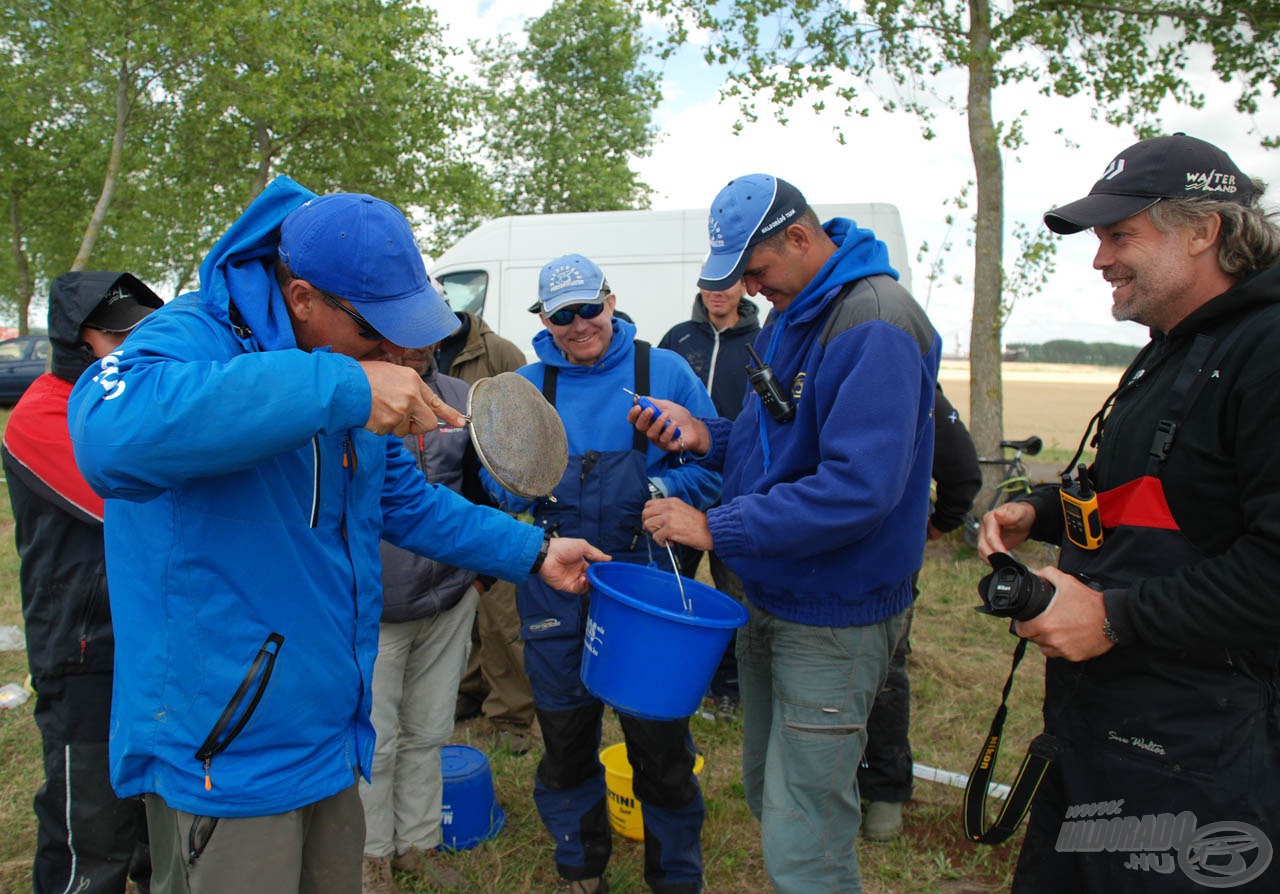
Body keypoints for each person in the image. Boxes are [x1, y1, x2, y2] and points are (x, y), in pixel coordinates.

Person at [66, 179, 607, 894]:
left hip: (329, 732)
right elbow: (107, 437)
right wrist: (342, 386)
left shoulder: (344, 367)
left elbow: (407, 503)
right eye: (374, 332)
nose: (397, 352)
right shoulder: (195, 334)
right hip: (224, 752)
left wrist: (533, 551)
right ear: (303, 299)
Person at [980, 133, 1280, 891]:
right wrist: (1044, 513)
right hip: (1102, 727)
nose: (1100, 259)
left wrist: (1114, 616)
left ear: (1204, 230)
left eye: (1120, 235)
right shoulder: (1171, 348)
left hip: (1206, 752)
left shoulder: (1267, 350)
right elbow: (1153, 495)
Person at [631, 174, 940, 893]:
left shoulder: (874, 323)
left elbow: (858, 488)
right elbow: (777, 439)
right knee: (773, 788)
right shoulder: (796, 311)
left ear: (800, 238)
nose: (751, 287)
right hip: (774, 594)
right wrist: (707, 435)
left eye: (757, 271)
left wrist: (714, 524)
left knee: (808, 822)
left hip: (833, 611)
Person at [485, 253, 720, 894]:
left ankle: (674, 876)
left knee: (660, 741)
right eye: (563, 314)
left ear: (611, 301)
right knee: (564, 737)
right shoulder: (525, 389)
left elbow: (714, 463)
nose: (580, 323)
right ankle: (579, 867)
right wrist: (526, 494)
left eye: (589, 307)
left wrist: (664, 483)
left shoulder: (663, 370)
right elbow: (496, 487)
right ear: (545, 319)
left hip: (643, 584)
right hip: (554, 581)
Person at [2, 272, 161, 894]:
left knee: (158, 819)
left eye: (145, 329)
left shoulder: (129, 400)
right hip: (83, 647)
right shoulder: (42, 413)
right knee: (88, 830)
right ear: (80, 340)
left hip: (147, 638)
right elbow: (136, 496)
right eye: (120, 333)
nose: (137, 344)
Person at [359, 345, 492, 894]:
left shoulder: (460, 397)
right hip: (378, 604)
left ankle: (417, 842)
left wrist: (481, 569)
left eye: (427, 332)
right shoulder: (359, 395)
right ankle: (372, 856)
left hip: (450, 595)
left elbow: (481, 483)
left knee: (431, 728)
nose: (415, 346)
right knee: (377, 739)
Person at [858, 385, 980, 841]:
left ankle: (885, 792)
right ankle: (835, 791)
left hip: (883, 561)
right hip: (809, 557)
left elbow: (963, 472)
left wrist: (937, 523)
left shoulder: (915, 384)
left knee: (883, 673)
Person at [437, 300, 539, 756]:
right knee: (463, 614)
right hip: (442, 507)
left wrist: (509, 496)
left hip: (491, 505)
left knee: (502, 622)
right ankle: (469, 691)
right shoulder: (404, 350)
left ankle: (514, 717)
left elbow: (526, 427)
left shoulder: (499, 353)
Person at [658, 281, 760, 719]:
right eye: (708, 286)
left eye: (728, 284)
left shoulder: (762, 341)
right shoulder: (678, 338)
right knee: (671, 587)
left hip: (737, 491)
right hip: (682, 483)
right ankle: (674, 678)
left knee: (734, 591)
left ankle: (731, 688)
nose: (717, 293)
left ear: (744, 285)